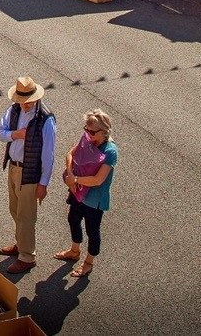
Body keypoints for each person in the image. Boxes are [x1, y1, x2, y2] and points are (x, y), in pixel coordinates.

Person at [0, 76, 56, 274]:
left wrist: (43, 183)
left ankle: (27, 256)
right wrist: (16, 135)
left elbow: (48, 154)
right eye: (22, 101)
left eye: (28, 101)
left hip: (30, 172)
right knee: (15, 209)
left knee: (26, 216)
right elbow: (0, 133)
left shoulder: (45, 119)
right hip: (14, 167)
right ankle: (20, 243)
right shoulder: (13, 110)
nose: (25, 105)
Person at [55, 109, 118, 279]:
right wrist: (69, 174)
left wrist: (74, 180)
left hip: (94, 199)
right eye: (86, 130)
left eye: (92, 132)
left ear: (104, 132)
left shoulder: (110, 151)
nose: (88, 134)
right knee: (73, 219)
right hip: (78, 191)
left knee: (92, 230)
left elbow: (98, 180)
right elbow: (70, 154)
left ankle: (89, 262)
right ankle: (75, 250)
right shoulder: (87, 140)